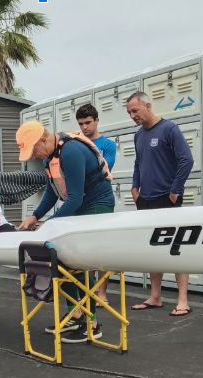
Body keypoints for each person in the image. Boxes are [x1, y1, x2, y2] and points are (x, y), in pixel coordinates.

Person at [17, 121, 114, 343]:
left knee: (80, 261)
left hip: (96, 205)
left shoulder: (71, 151)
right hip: (77, 205)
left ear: (43, 139)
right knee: (61, 258)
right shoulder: (49, 156)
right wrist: (35, 216)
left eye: (33, 150)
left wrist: (50, 224)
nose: (32, 156)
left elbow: (75, 197)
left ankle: (92, 322)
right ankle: (75, 313)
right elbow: (53, 192)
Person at [125, 91, 194, 317]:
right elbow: (138, 162)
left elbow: (187, 159)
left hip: (168, 198)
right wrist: (135, 187)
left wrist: (176, 189)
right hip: (146, 199)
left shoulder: (169, 129)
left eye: (135, 111)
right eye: (129, 113)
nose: (133, 116)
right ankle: (155, 297)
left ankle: (183, 300)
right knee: (153, 248)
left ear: (148, 105)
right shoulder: (138, 135)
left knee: (176, 249)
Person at [75, 103, 116, 306]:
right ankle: (86, 291)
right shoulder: (76, 143)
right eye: (81, 124)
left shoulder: (107, 144)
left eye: (88, 123)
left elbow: (104, 169)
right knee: (84, 249)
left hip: (99, 199)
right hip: (81, 201)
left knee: (101, 248)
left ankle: (102, 292)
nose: (84, 128)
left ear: (97, 121)